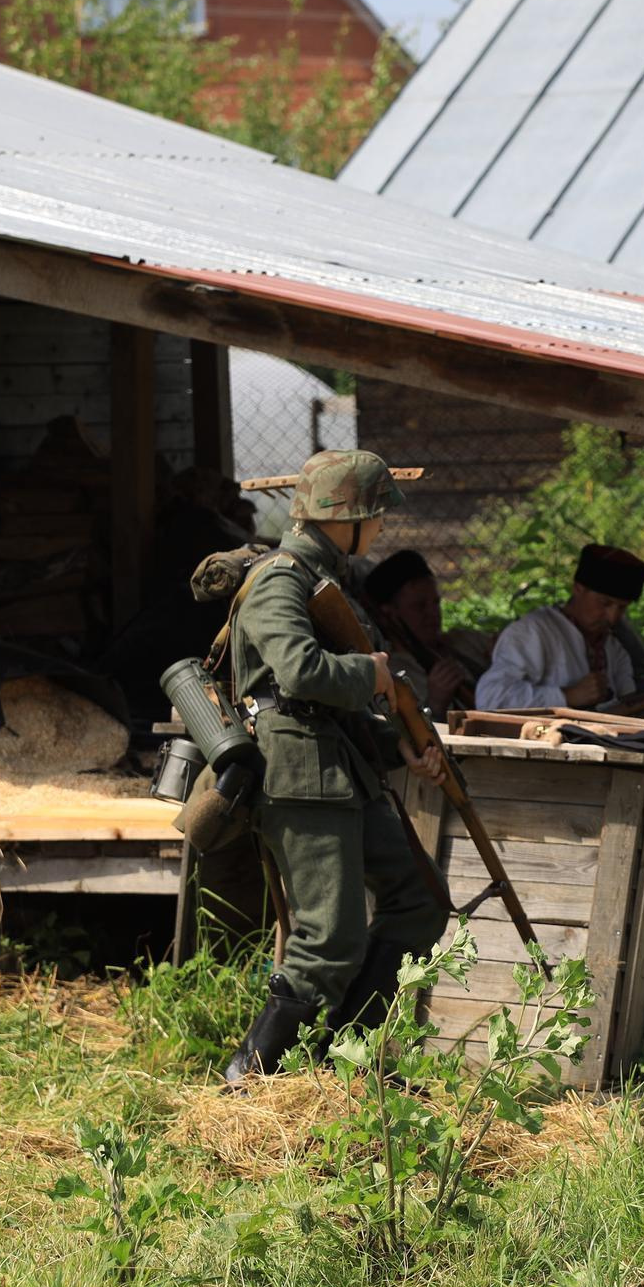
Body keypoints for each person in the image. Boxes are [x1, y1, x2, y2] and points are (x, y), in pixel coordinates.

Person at [222, 450, 452, 1084]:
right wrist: (371, 672)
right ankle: (250, 1076)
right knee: (329, 939)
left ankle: (343, 1064)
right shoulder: (280, 580)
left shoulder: (325, 580)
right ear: (345, 518)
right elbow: (297, 674)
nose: (381, 528)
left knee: (422, 899)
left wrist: (397, 745)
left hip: (343, 768)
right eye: (374, 516)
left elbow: (330, 702)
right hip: (299, 775)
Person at [476, 544, 644, 715]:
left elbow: (625, 713)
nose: (613, 617)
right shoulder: (533, 632)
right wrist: (567, 696)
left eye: (622, 608)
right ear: (578, 589)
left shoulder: (613, 648)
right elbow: (490, 698)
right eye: (605, 603)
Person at [363, 548, 496, 719]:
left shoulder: (462, 641)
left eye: (435, 603)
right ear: (389, 614)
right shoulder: (391, 671)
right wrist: (435, 703)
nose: (434, 613)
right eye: (419, 606)